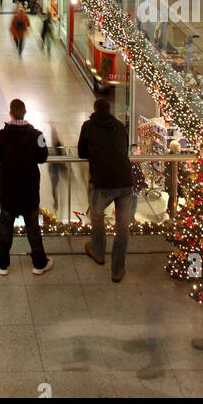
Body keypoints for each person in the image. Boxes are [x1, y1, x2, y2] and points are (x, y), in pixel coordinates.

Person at [0, 99, 53, 276]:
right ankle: (39, 263)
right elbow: (43, 156)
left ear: (10, 113)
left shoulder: (1, 136)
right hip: (29, 189)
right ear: (25, 113)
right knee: (33, 226)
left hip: (9, 189)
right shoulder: (38, 135)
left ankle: (2, 263)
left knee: (6, 226)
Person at [78, 96, 133, 281]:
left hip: (102, 181)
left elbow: (81, 152)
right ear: (109, 110)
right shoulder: (119, 126)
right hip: (125, 181)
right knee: (122, 228)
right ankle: (117, 270)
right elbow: (124, 148)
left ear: (94, 110)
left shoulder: (88, 126)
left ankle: (98, 251)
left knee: (97, 217)